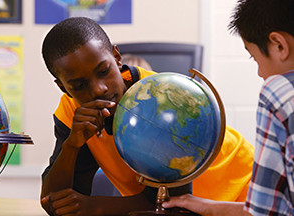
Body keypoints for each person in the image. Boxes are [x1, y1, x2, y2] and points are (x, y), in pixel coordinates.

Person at [39, 16, 254, 215]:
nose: (98, 89)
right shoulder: (72, 112)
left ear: (116, 57)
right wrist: (71, 145)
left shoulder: (160, 97)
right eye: (79, 85)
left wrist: (92, 206)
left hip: (243, 196)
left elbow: (167, 202)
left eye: (104, 71)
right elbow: (54, 201)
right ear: (63, 87)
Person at [162, 0, 294, 215]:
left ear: (279, 44)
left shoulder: (279, 90)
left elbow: (264, 212)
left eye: (255, 58)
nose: (260, 73)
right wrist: (207, 206)